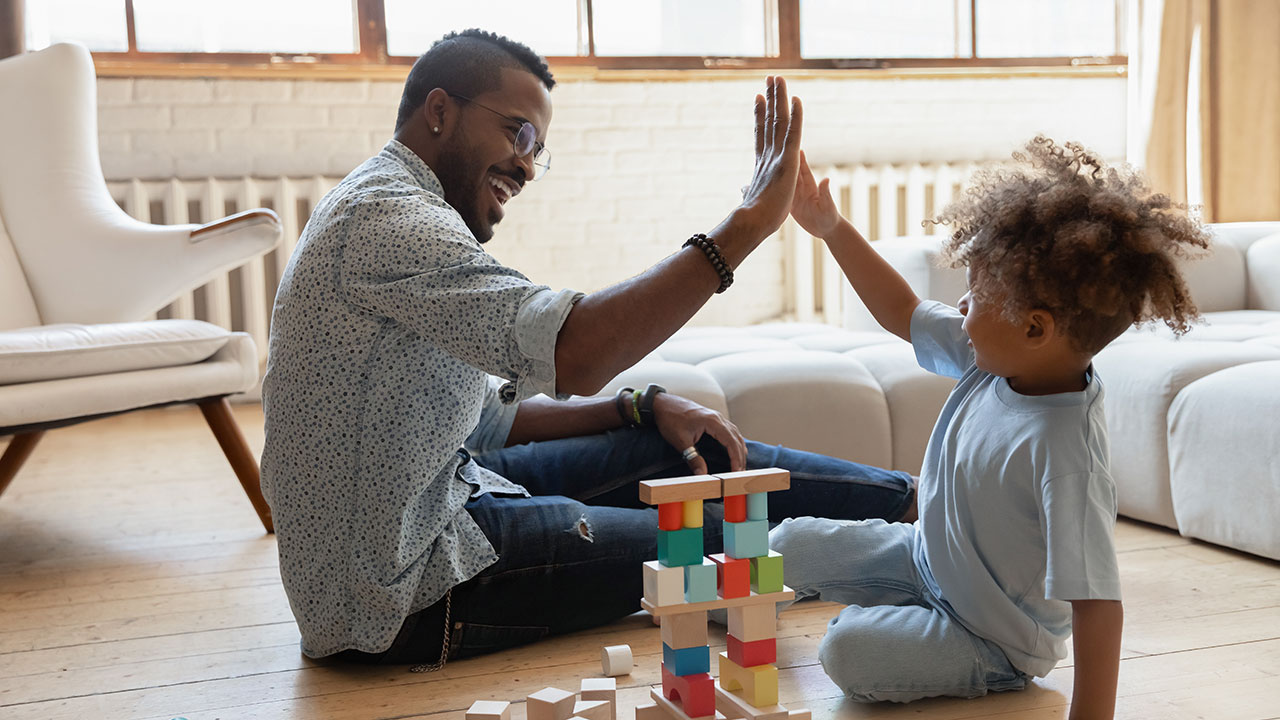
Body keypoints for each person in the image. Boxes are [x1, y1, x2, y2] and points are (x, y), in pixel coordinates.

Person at [259, 29, 916, 669]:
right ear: (439, 111)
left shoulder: (398, 208)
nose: (525, 164)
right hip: (396, 590)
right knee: (735, 544)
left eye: (536, 149)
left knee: (681, 450)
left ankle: (916, 504)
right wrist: (745, 227)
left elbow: (484, 420)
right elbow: (578, 353)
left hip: (450, 496)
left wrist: (638, 407)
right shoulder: (390, 220)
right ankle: (930, 557)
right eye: (518, 133)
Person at [770, 136, 1210, 718]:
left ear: (1035, 328)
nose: (959, 309)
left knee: (847, 652)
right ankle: (727, 607)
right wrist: (832, 229)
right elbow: (900, 311)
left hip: (991, 635)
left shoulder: (1066, 454)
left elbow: (1099, 605)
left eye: (974, 296)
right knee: (781, 546)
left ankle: (958, 658)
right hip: (925, 558)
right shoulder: (996, 355)